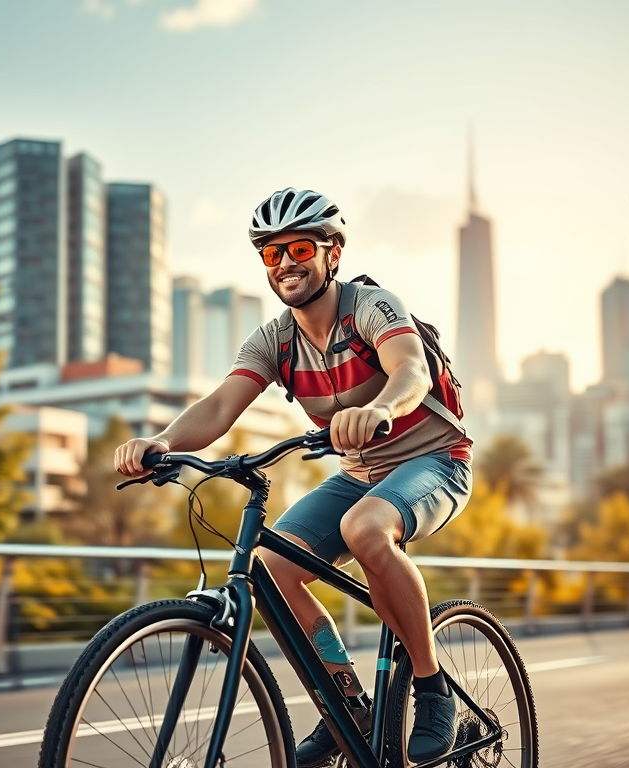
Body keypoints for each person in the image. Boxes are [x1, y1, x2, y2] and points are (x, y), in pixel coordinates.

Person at [115, 187, 473, 766]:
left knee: (364, 530)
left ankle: (430, 688)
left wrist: (380, 407)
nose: (286, 263)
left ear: (333, 252)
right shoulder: (275, 339)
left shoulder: (372, 308)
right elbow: (216, 408)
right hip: (360, 474)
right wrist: (160, 443)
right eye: (271, 253)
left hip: (435, 462)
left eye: (300, 247)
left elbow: (409, 369)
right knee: (271, 570)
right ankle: (347, 703)